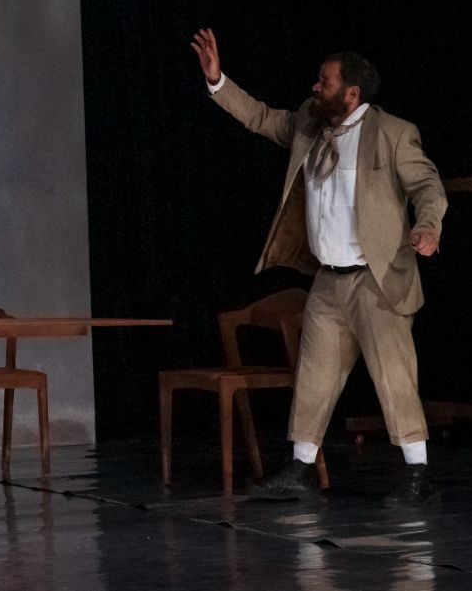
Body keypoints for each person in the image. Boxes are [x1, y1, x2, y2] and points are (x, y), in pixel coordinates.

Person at [191, 28, 447, 506]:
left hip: (376, 280)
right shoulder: (310, 123)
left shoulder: (392, 133)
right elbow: (261, 118)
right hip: (328, 280)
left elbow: (427, 186)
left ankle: (419, 473)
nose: (315, 87)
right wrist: (217, 80)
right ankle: (302, 469)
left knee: (394, 376)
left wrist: (428, 226)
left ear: (352, 92)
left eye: (325, 82)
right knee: (314, 375)